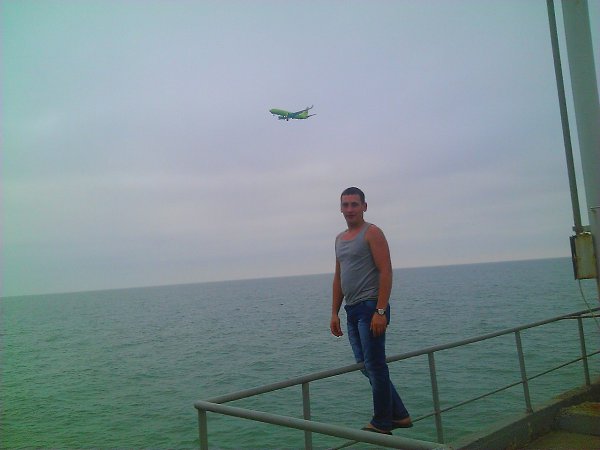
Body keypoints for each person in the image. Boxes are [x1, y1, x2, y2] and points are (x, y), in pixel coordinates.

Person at [330, 186, 412, 435]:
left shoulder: (372, 232)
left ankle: (381, 422)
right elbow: (338, 277)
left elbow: (385, 271)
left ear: (364, 207)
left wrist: (380, 311)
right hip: (352, 310)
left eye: (354, 204)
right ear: (340, 208)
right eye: (345, 205)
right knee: (364, 364)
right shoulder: (339, 239)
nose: (350, 209)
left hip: (370, 308)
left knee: (375, 365)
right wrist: (334, 312)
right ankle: (399, 414)